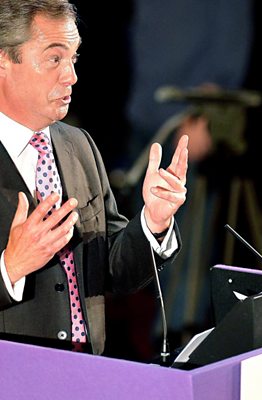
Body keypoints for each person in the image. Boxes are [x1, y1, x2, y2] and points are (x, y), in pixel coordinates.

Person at [0, 0, 188, 356]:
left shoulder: (79, 146)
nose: (71, 76)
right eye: (54, 58)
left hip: (87, 372)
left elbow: (112, 269)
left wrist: (153, 222)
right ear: (4, 61)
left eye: (73, 58)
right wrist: (10, 267)